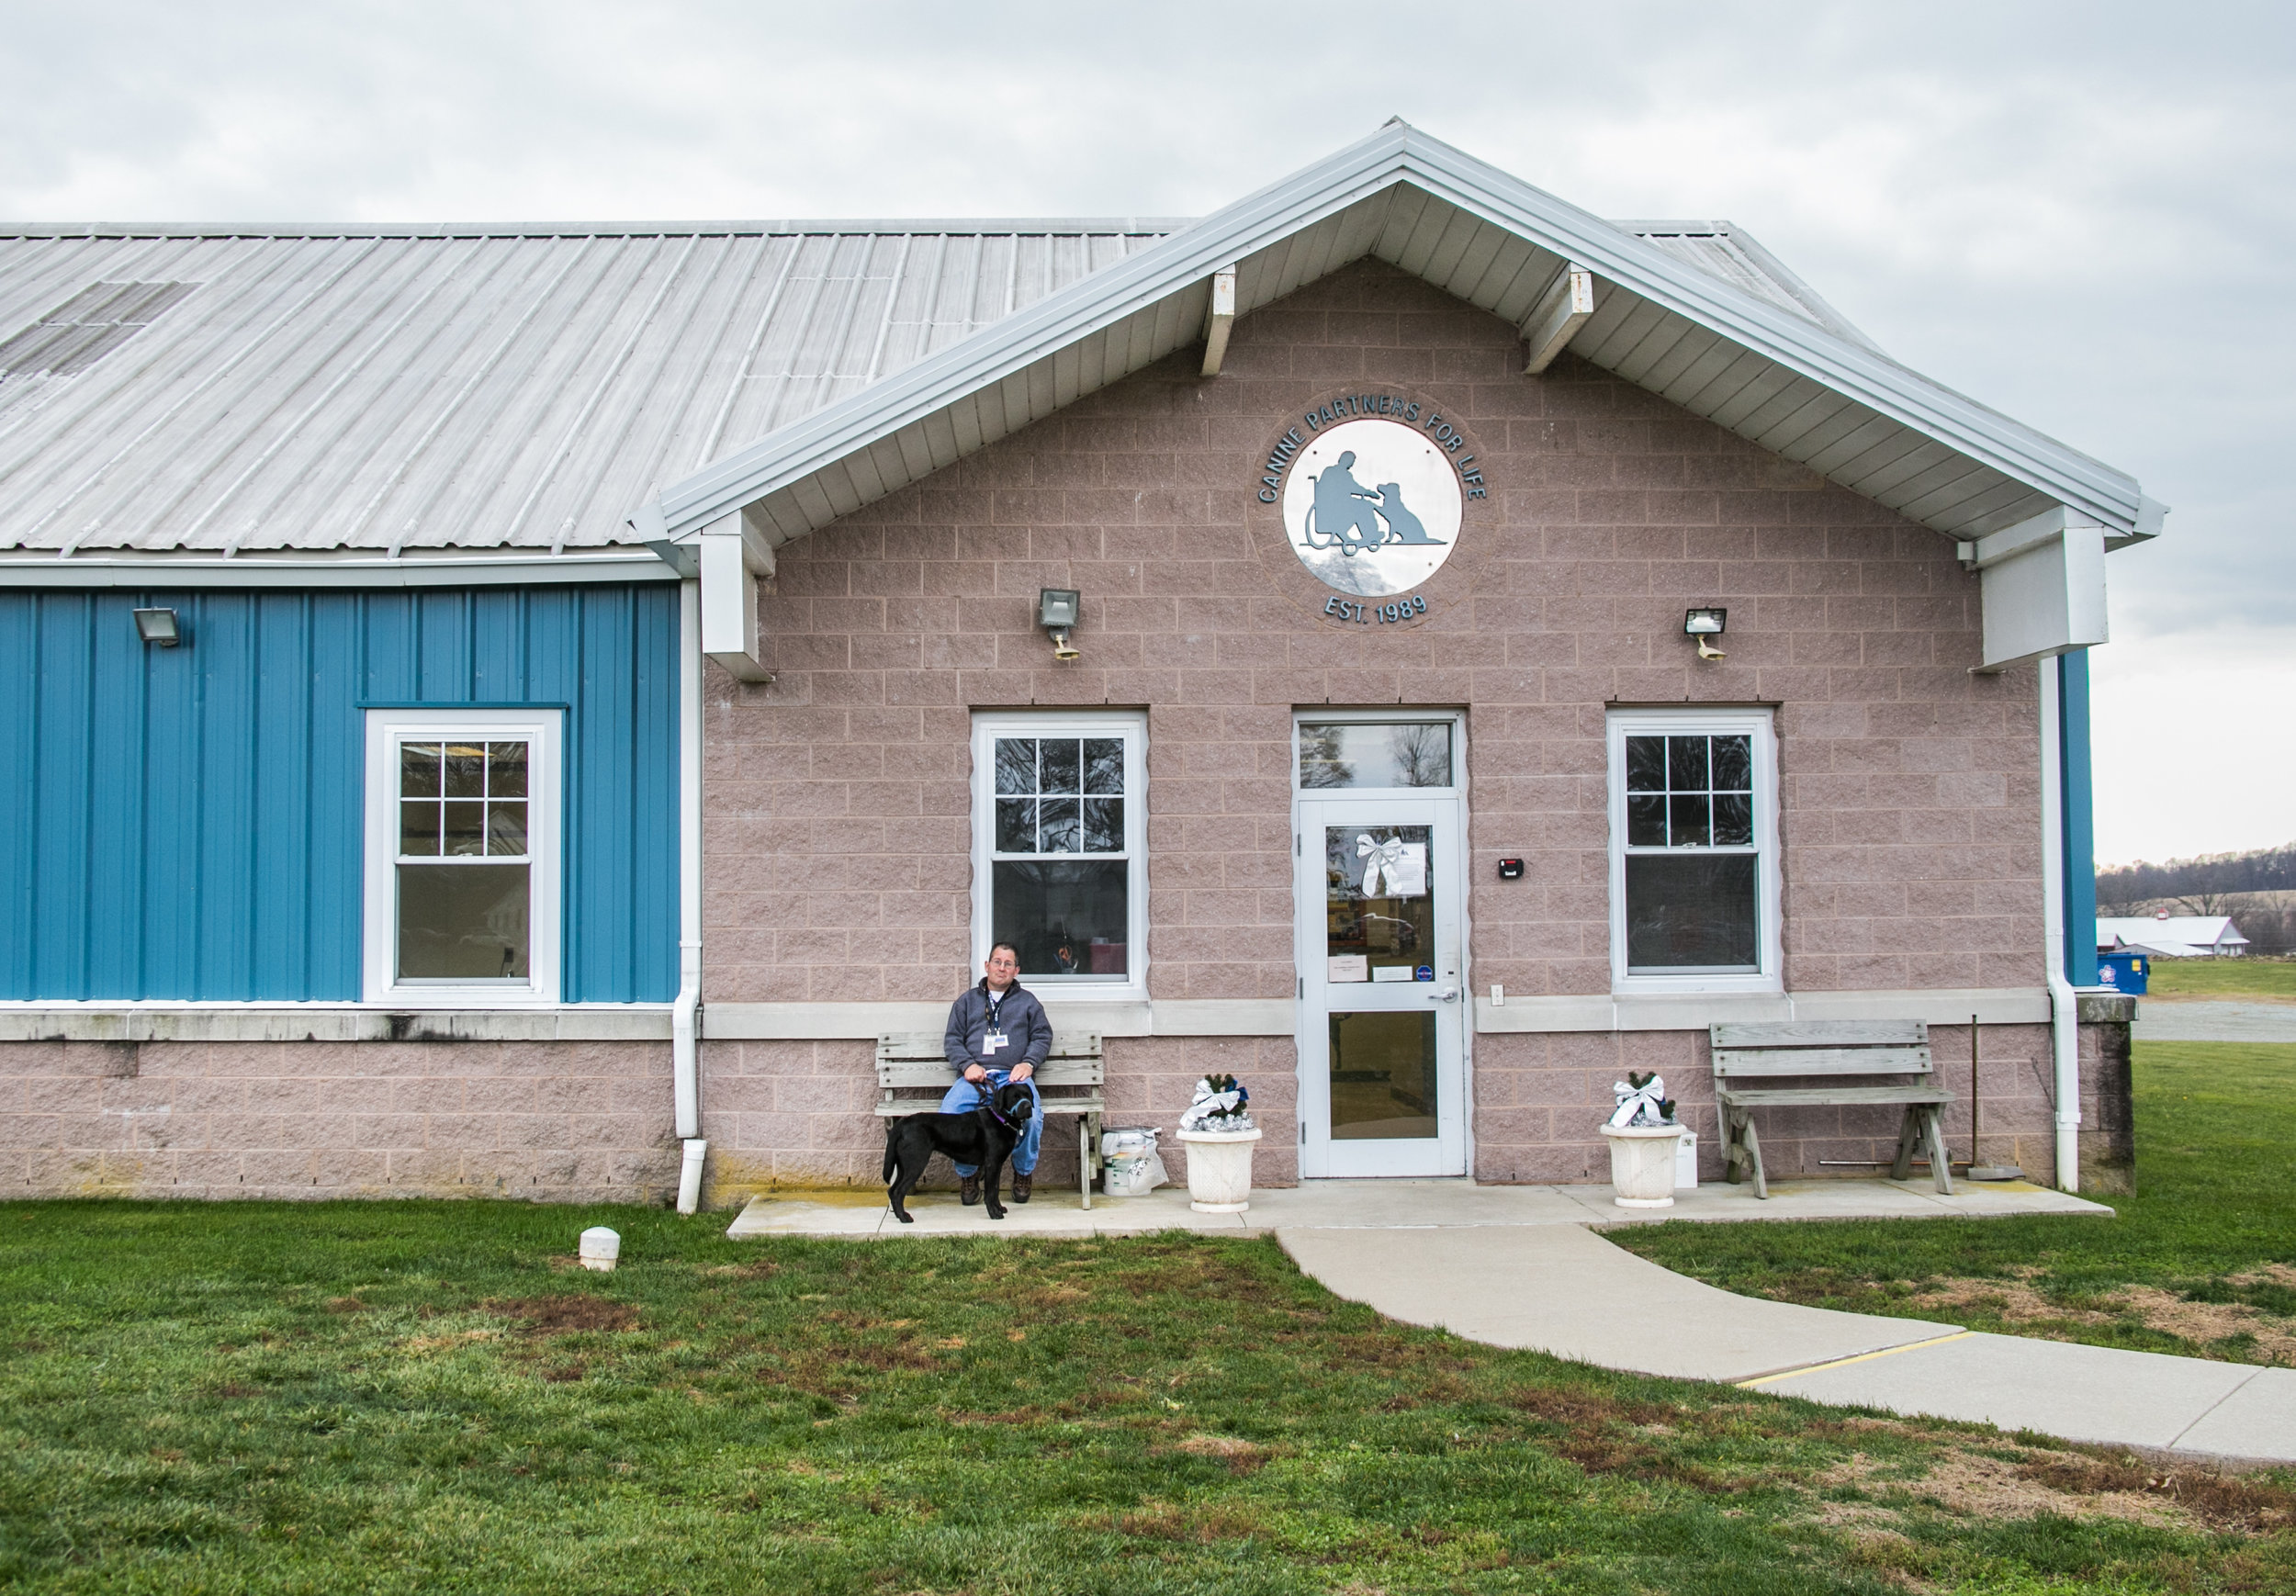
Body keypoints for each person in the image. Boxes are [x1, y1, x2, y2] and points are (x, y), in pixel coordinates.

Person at [940, 942, 1050, 1203]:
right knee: (950, 1114)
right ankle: (968, 1174)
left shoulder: (1028, 1002)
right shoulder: (966, 1002)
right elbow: (953, 1040)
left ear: (1016, 970)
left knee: (1032, 1119)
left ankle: (1022, 1172)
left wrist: (1029, 1063)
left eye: (1008, 963)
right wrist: (967, 1065)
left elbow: (1042, 1035)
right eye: (997, 962)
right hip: (977, 1078)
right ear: (987, 966)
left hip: (1014, 1079)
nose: (1002, 968)